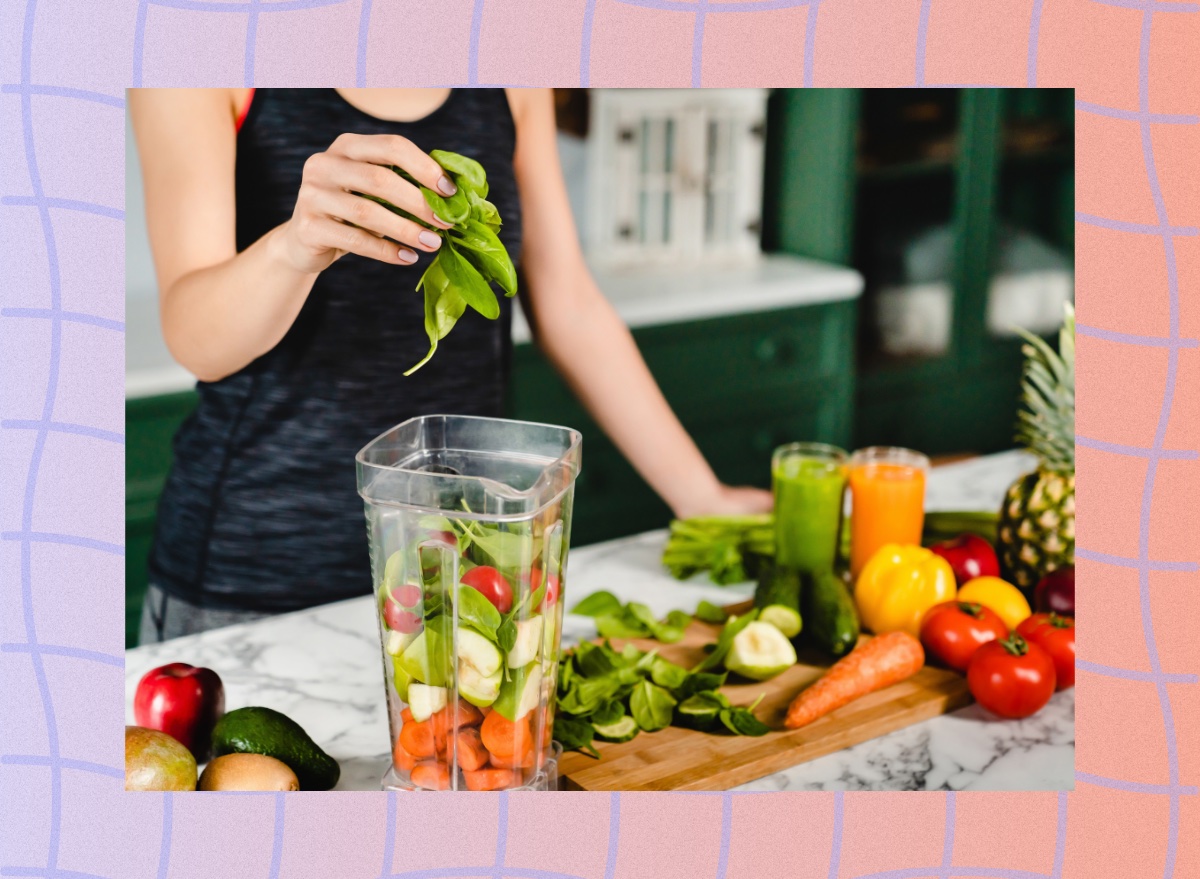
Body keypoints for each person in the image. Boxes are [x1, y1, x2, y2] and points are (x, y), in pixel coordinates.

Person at [131, 88, 771, 643]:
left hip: (461, 568)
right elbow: (196, 339)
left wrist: (703, 498)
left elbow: (568, 302)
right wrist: (295, 247)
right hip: (257, 577)